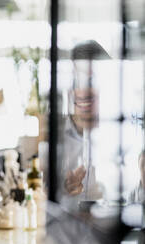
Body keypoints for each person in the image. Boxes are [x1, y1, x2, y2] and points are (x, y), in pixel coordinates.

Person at [59, 40, 110, 211]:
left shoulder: (122, 138)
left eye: (91, 81)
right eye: (76, 80)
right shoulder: (53, 139)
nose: (82, 90)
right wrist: (63, 192)